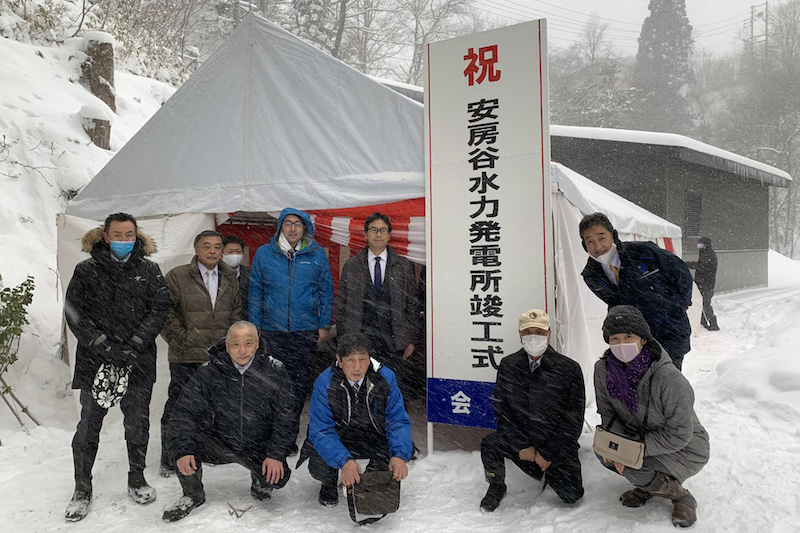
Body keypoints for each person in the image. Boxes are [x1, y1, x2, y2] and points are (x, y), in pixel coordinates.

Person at [64, 213, 170, 521]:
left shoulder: (149, 270)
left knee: (137, 423)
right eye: (118, 235)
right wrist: (102, 345)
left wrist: (136, 342)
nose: (124, 240)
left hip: (137, 359)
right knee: (88, 426)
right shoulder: (86, 270)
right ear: (106, 236)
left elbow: (159, 308)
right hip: (95, 360)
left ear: (137, 236)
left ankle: (136, 477)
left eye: (129, 235)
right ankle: (82, 487)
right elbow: (75, 312)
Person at [162, 321, 297, 521]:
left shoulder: (275, 370)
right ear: (226, 345)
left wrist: (275, 454)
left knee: (279, 476)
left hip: (256, 443)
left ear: (257, 344)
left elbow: (286, 416)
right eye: (235, 344)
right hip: (220, 441)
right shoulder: (208, 371)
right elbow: (184, 413)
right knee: (185, 445)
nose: (242, 350)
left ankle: (261, 481)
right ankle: (192, 494)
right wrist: (182, 450)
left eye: (248, 343)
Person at [595, 305, 709, 529]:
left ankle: (681, 496)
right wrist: (619, 447)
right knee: (606, 454)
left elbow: (680, 433)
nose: (621, 344)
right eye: (615, 338)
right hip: (639, 438)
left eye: (629, 336)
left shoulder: (668, 378)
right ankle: (649, 484)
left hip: (686, 448)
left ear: (643, 339)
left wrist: (633, 451)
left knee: (635, 466)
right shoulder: (603, 370)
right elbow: (608, 413)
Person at [479, 309, 585, 512]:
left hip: (555, 442)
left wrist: (547, 453)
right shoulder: (508, 365)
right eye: (528, 332)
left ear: (549, 334)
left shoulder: (569, 369)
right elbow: (502, 411)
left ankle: (549, 471)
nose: (533, 337)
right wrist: (522, 444)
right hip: (523, 441)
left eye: (539, 331)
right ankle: (496, 486)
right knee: (490, 444)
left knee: (571, 495)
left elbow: (573, 419)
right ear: (520, 335)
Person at [159, 230, 241, 476]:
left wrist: (232, 345)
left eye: (217, 247)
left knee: (214, 407)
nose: (213, 251)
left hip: (219, 358)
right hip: (186, 356)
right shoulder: (178, 276)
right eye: (207, 246)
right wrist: (182, 339)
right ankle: (170, 457)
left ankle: (204, 452)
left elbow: (235, 313)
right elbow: (165, 312)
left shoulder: (229, 278)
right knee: (178, 408)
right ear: (196, 249)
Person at [299, 333, 412, 507]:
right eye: (351, 360)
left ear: (370, 358)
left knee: (389, 458)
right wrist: (344, 461)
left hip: (373, 436)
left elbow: (397, 420)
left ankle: (369, 481)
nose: (357, 367)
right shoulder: (324, 382)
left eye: (362, 359)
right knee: (319, 466)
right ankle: (329, 482)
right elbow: (321, 430)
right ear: (339, 360)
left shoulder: (386, 377)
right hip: (340, 436)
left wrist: (399, 455)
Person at [249, 208, 333, 426]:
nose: (293, 228)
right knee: (270, 382)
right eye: (288, 223)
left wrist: (324, 324)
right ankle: (270, 430)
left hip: (303, 331)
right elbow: (256, 292)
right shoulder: (264, 254)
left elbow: (326, 291)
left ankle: (289, 431)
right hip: (271, 330)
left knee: (298, 382)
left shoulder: (316, 255)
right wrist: (254, 326)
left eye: (298, 223)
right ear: (280, 226)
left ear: (305, 227)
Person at [579, 212, 694, 370]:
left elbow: (680, 272)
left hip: (668, 330)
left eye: (601, 238)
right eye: (590, 241)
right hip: (633, 340)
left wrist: (681, 303)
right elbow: (614, 304)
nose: (598, 246)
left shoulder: (643, 252)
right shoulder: (592, 275)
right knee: (640, 387)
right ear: (585, 245)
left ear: (613, 235)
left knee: (667, 383)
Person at [336, 212, 420, 388]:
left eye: (383, 230)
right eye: (374, 230)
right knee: (362, 387)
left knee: (393, 388)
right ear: (366, 234)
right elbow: (342, 305)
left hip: (394, 340)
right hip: (360, 340)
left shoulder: (403, 266)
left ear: (389, 235)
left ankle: (390, 417)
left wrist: (411, 339)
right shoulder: (352, 266)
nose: (378, 234)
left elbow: (412, 305)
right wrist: (346, 337)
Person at [686, 236, 719, 331]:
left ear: (706, 244)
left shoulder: (708, 254)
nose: (699, 244)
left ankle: (713, 323)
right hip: (704, 283)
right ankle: (704, 322)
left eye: (701, 243)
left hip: (706, 284)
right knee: (702, 303)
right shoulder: (704, 253)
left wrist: (688, 264)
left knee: (705, 304)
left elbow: (702, 266)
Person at [222, 235, 252, 321]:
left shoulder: (250, 274)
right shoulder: (215, 274)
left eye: (238, 251)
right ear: (222, 253)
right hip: (222, 322)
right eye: (230, 252)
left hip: (244, 321)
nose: (234, 255)